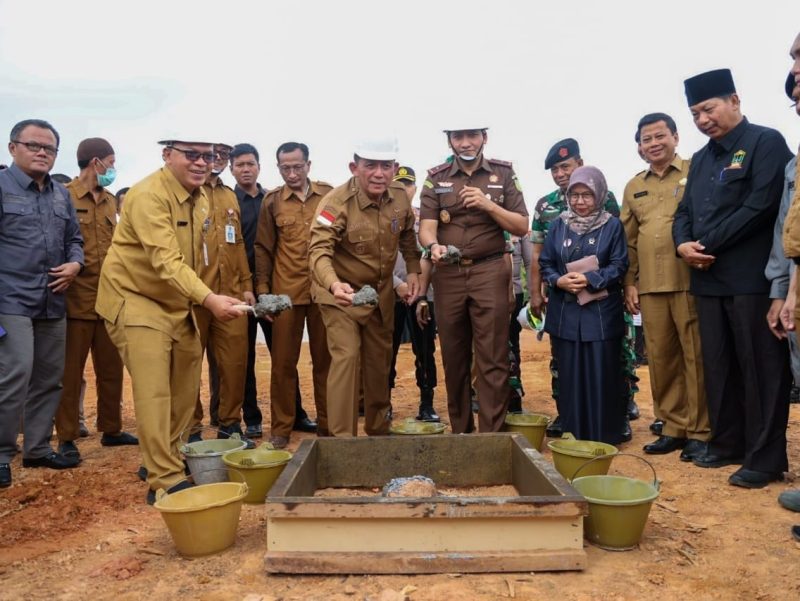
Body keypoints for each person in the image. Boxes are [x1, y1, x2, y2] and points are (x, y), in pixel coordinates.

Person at [96, 134, 245, 503]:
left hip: (176, 300)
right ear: (167, 154)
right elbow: (166, 260)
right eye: (191, 154)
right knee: (155, 392)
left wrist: (215, 295)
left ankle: (166, 457)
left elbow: (198, 258)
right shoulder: (148, 196)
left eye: (208, 155)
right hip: (134, 298)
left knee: (185, 385)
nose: (201, 162)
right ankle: (164, 479)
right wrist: (209, 299)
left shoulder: (202, 197)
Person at [673, 68, 792, 489]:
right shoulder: (701, 158)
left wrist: (705, 244)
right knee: (719, 367)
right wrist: (682, 245)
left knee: (760, 369)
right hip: (707, 281)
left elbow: (761, 205)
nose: (703, 120)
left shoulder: (765, 142)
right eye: (695, 114)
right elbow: (683, 212)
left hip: (749, 279)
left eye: (708, 109)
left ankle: (765, 458)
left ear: (735, 101)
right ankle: (727, 443)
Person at [418, 125, 529, 433]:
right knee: (453, 358)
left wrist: (488, 204)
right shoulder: (435, 178)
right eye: (458, 137)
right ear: (449, 141)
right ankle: (461, 434)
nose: (465, 143)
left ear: (484, 138)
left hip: (489, 271)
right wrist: (433, 245)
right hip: (449, 274)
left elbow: (521, 226)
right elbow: (426, 227)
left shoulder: (504, 174)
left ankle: (491, 437)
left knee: (492, 358)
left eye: (472, 136)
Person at [308, 137, 420, 437]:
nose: (379, 173)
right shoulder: (335, 203)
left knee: (379, 364)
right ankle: (343, 441)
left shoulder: (399, 196)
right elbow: (319, 251)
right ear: (354, 167)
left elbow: (407, 235)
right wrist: (333, 284)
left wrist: (413, 270)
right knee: (346, 357)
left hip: (380, 296)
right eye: (370, 166)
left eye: (386, 166)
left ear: (395, 168)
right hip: (339, 295)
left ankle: (378, 431)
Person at [529, 139, 638, 439]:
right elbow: (544, 261)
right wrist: (557, 281)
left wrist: (591, 279)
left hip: (602, 311)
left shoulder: (611, 224)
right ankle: (573, 429)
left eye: (586, 194)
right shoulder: (557, 223)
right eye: (574, 195)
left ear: (599, 194)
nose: (579, 201)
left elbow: (620, 263)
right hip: (565, 310)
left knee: (605, 370)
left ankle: (608, 429)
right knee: (568, 371)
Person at [0, 119, 84, 488]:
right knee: (15, 374)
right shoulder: (2, 187)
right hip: (10, 299)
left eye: (49, 148)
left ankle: (37, 448)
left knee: (50, 378)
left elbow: (75, 240)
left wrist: (76, 264)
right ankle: (2, 453)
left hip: (53, 299)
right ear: (12, 148)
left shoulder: (61, 195)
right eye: (33, 145)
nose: (41, 153)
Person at [621, 114, 709, 461]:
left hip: (690, 280)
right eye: (647, 139)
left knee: (695, 357)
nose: (654, 143)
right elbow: (628, 240)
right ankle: (672, 426)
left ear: (675, 137)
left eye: (660, 136)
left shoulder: (695, 171)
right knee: (661, 359)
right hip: (650, 287)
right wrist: (629, 282)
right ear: (640, 147)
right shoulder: (633, 185)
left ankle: (700, 431)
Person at [55, 138, 138, 461]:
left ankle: (112, 429)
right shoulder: (63, 196)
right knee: (70, 373)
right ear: (95, 162)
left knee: (111, 369)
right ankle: (67, 437)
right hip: (74, 300)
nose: (113, 169)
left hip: (109, 300)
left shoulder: (109, 201)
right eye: (111, 162)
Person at [230, 143, 313, 439]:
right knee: (244, 358)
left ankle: (298, 414)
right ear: (231, 169)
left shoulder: (272, 199)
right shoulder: (229, 202)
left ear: (259, 166)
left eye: (250, 164)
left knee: (284, 356)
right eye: (240, 165)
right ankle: (253, 418)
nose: (246, 169)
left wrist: (265, 289)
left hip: (278, 290)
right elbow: (241, 248)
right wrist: (249, 286)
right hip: (241, 291)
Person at [255, 142, 332, 448]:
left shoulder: (328, 195)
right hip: (286, 294)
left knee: (326, 362)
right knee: (283, 364)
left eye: (297, 167)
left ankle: (329, 425)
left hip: (323, 291)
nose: (291, 173)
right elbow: (263, 248)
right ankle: (280, 429)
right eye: (285, 168)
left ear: (308, 165)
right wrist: (263, 293)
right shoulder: (272, 201)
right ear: (278, 168)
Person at [188, 142, 253, 442]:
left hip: (231, 292)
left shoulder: (229, 195)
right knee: (189, 364)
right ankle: (190, 429)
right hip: (194, 294)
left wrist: (247, 285)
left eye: (224, 155)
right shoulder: (187, 190)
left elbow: (237, 242)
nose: (218, 159)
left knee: (234, 363)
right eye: (213, 153)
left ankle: (230, 425)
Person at [389, 167, 439, 422]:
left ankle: (427, 403)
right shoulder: (382, 217)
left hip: (422, 296)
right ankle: (384, 403)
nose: (403, 189)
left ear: (415, 188)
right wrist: (398, 284)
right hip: (391, 295)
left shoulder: (425, 222)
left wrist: (420, 293)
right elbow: (374, 260)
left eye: (407, 184)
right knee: (386, 351)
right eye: (397, 184)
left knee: (425, 351)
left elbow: (431, 256)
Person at [508, 233, 532, 413]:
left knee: (511, 346)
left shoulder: (518, 228)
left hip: (514, 295)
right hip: (485, 293)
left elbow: (530, 262)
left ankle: (514, 399)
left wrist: (532, 295)